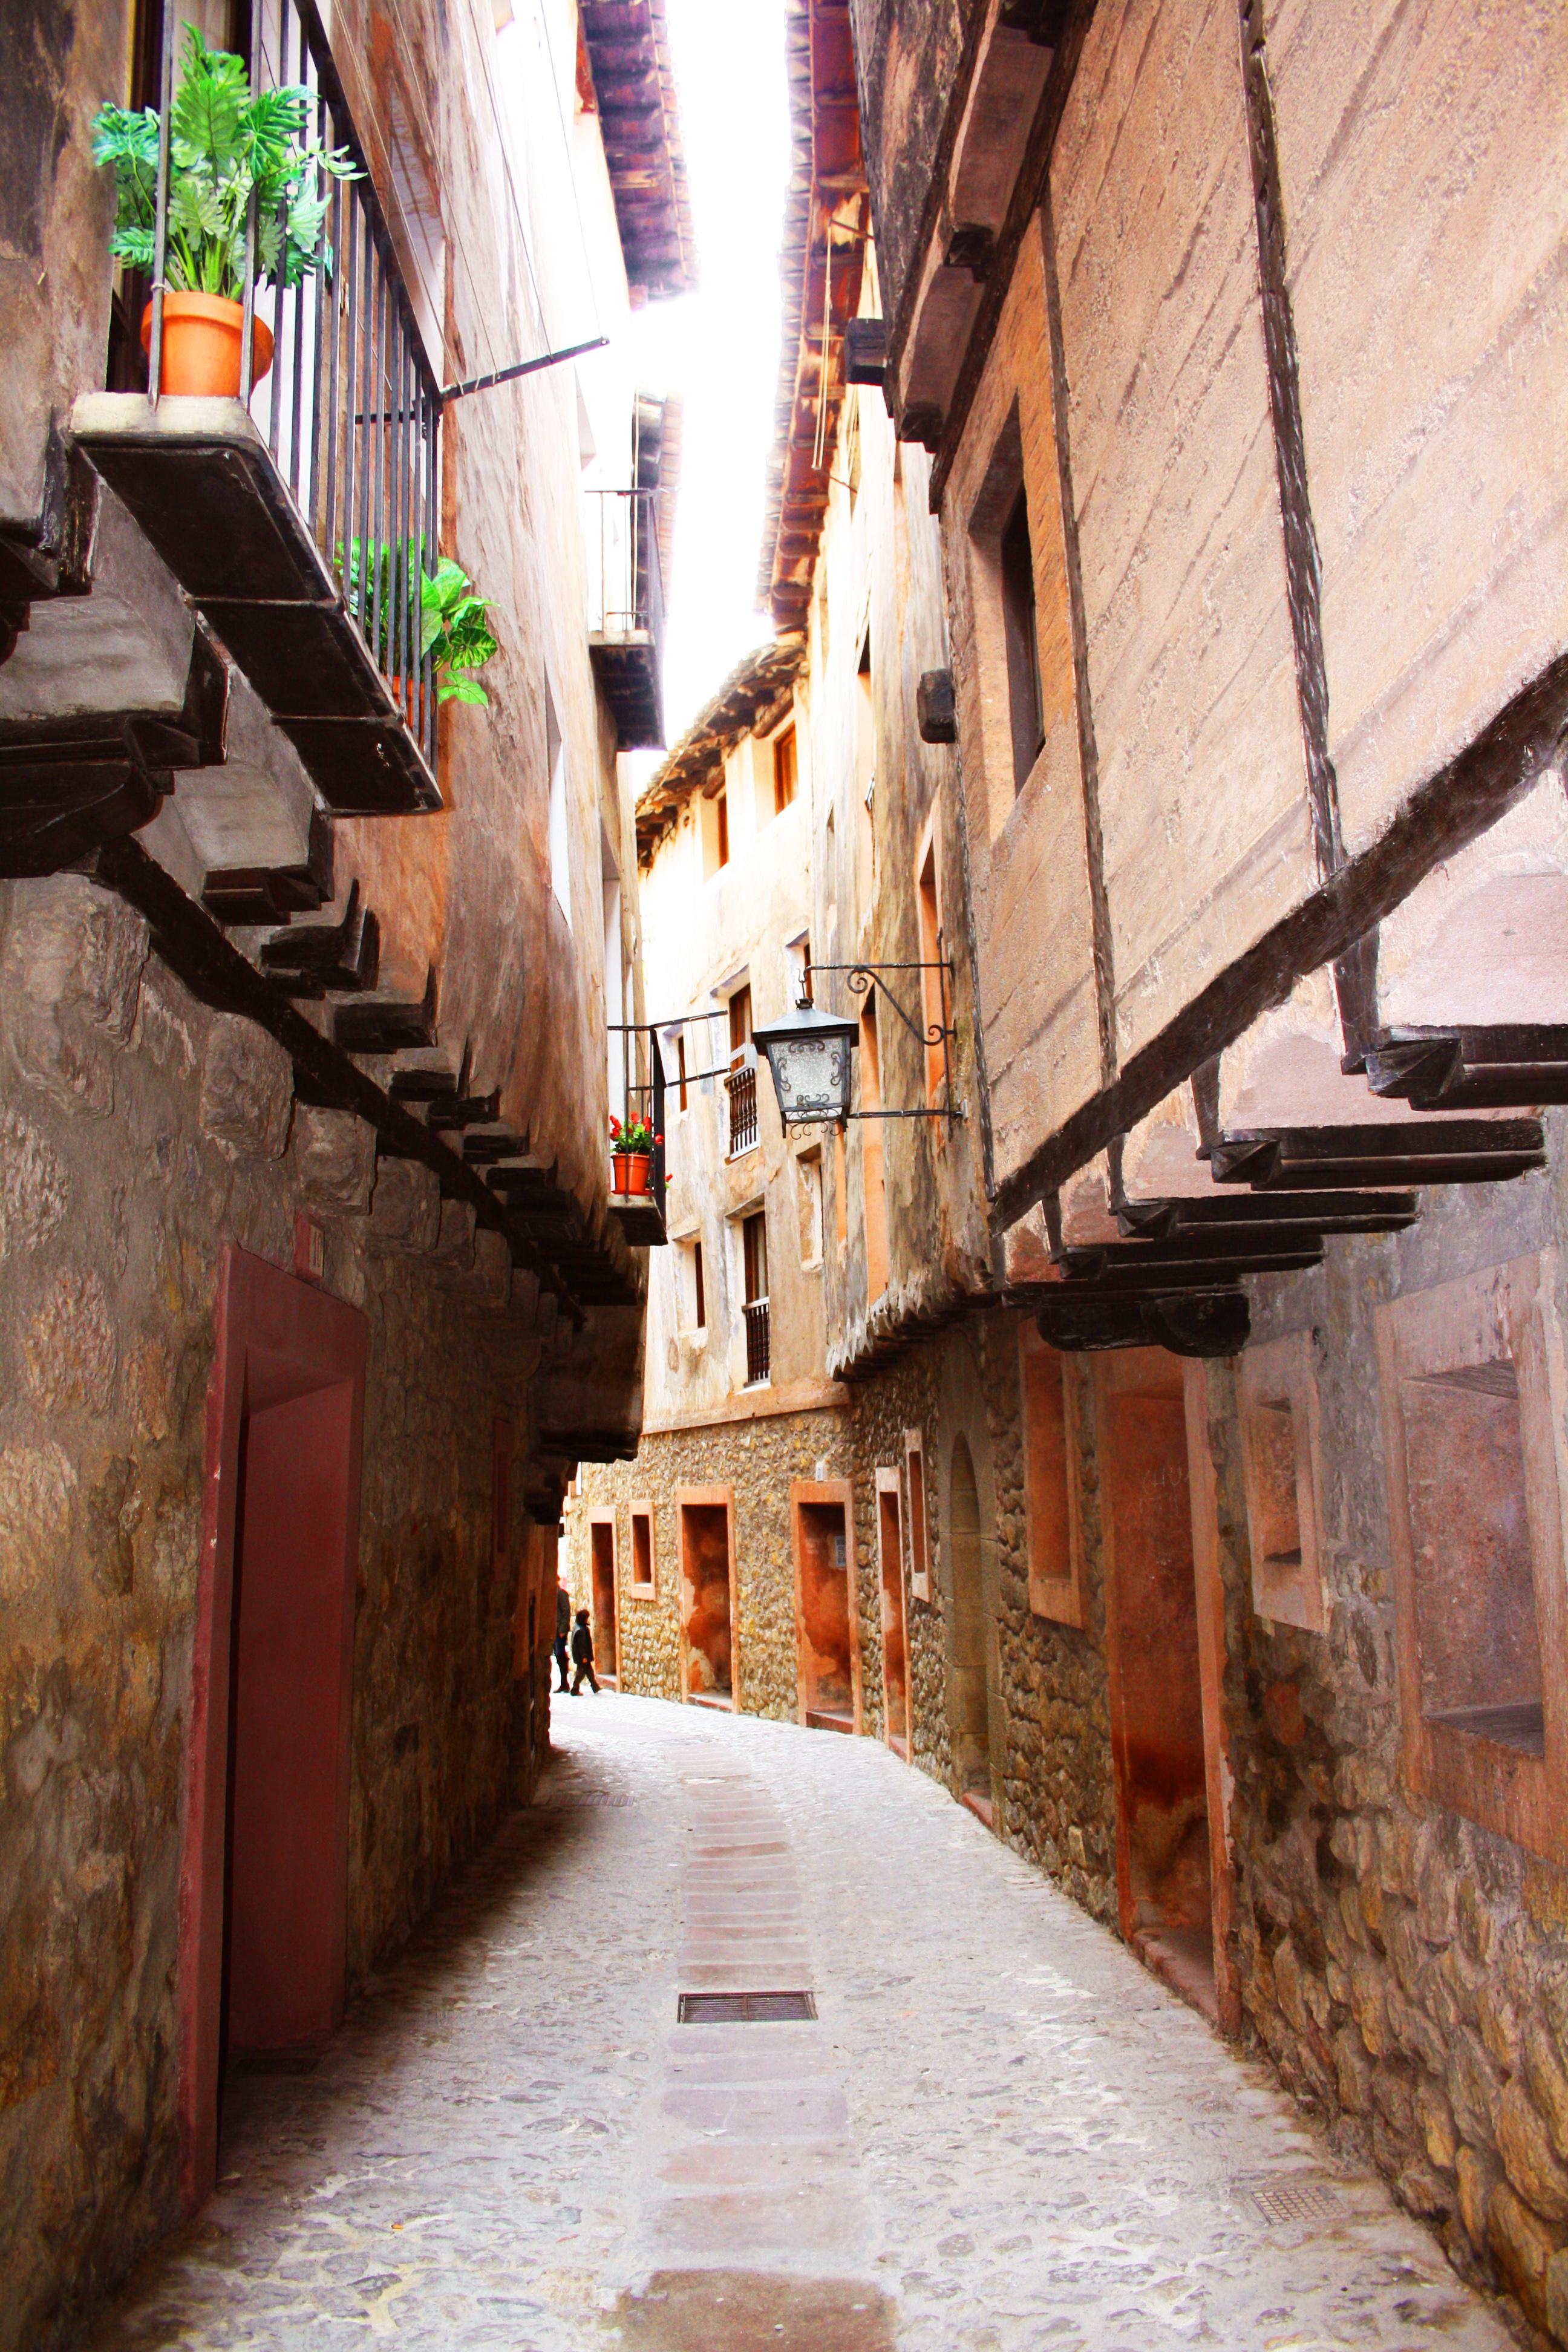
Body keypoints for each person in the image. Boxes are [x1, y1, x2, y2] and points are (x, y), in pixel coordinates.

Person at [570, 1606, 599, 1696]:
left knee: (589, 1671)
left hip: (580, 1656)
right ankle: (575, 1689)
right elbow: (582, 1645)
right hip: (583, 1656)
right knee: (581, 1673)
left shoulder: (577, 1628)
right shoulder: (582, 1630)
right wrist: (584, 1656)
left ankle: (595, 1687)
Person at [554, 1579, 571, 1693]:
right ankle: (563, 1683)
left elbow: (566, 1612)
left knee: (560, 1655)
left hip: (559, 1631)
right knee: (558, 1655)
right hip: (554, 1630)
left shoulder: (561, 1594)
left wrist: (563, 1629)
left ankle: (564, 1682)